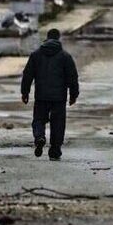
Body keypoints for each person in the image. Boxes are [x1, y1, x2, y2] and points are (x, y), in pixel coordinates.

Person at [21, 28, 80, 161]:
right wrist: (73, 95)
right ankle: (55, 150)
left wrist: (25, 92)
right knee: (58, 123)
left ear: (46, 38)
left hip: (41, 96)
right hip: (59, 98)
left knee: (38, 119)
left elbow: (27, 75)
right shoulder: (65, 56)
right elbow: (72, 77)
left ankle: (39, 137)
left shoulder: (36, 55)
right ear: (58, 39)